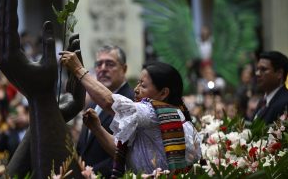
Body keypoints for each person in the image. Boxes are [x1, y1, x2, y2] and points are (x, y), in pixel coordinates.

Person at [60, 52, 201, 175]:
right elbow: (122, 153)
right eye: (138, 83)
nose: (136, 89)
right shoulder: (165, 114)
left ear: (163, 93)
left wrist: (78, 70)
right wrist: (97, 128)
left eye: (143, 85)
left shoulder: (154, 111)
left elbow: (111, 103)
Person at [76, 45, 134, 178]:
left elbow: (128, 153)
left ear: (124, 69)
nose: (102, 69)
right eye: (99, 64)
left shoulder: (130, 101)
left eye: (110, 64)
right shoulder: (92, 102)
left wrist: (90, 173)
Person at [251, 51, 288, 124]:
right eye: (257, 69)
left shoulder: (286, 102)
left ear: (279, 73)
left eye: (263, 69)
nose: (257, 73)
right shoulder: (263, 101)